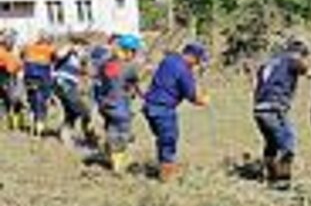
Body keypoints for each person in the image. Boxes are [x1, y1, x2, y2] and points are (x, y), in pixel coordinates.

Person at [142, 43, 210, 182]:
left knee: (162, 139)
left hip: (149, 107)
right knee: (169, 140)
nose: (197, 63)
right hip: (163, 108)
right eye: (197, 60)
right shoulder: (184, 70)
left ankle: (163, 167)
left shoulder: (169, 60)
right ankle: (166, 178)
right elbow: (193, 96)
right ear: (191, 56)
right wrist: (203, 100)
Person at [253, 39, 311, 188]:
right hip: (275, 108)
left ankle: (271, 178)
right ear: (299, 53)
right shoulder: (291, 59)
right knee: (287, 144)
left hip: (259, 109)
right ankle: (282, 181)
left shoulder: (269, 63)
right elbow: (307, 71)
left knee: (271, 144)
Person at [95, 34, 144, 173]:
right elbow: (135, 84)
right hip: (119, 104)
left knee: (111, 128)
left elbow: (100, 79)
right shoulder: (129, 67)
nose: (134, 55)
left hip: (104, 104)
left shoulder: (105, 63)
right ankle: (117, 166)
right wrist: (142, 95)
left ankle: (110, 155)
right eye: (134, 51)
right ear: (128, 50)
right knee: (123, 134)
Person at [53, 39, 93, 144]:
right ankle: (89, 133)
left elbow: (85, 73)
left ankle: (64, 134)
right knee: (82, 110)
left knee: (72, 112)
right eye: (82, 47)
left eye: (85, 48)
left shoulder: (79, 60)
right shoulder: (67, 52)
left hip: (70, 85)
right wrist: (70, 47)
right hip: (62, 83)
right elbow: (58, 55)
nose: (84, 50)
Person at [21, 32, 58, 136]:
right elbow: (56, 59)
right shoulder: (50, 48)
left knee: (32, 97)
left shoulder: (29, 47)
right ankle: (40, 122)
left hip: (28, 77)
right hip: (42, 78)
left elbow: (21, 55)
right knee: (44, 98)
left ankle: (32, 114)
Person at [0, 31, 25, 131]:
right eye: (8, 42)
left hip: (12, 76)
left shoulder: (12, 52)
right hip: (5, 77)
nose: (10, 44)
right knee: (9, 100)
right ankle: (7, 122)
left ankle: (16, 123)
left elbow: (18, 64)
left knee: (15, 100)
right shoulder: (2, 52)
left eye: (11, 42)